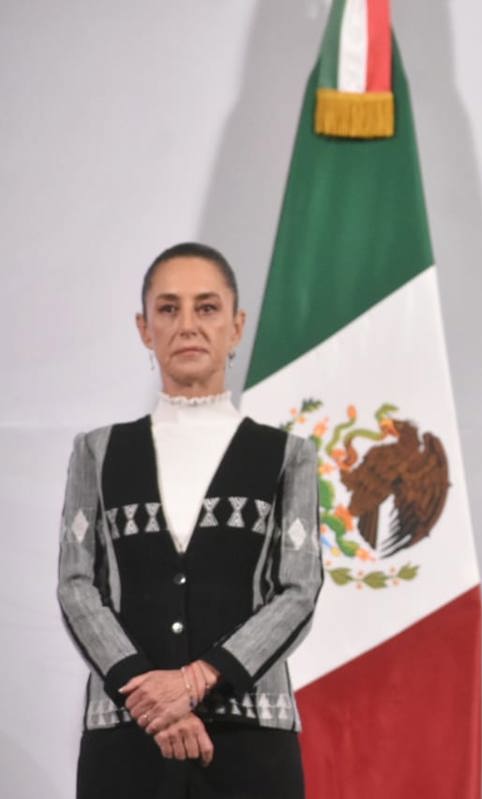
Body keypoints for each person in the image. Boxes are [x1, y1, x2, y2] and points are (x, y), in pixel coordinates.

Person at [57, 242, 322, 797]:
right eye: (168, 308)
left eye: (207, 308)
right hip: (126, 742)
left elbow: (299, 589)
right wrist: (148, 695)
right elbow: (78, 587)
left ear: (236, 324)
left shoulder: (287, 455)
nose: (187, 325)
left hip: (250, 740)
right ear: (143, 327)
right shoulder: (97, 453)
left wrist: (195, 682)